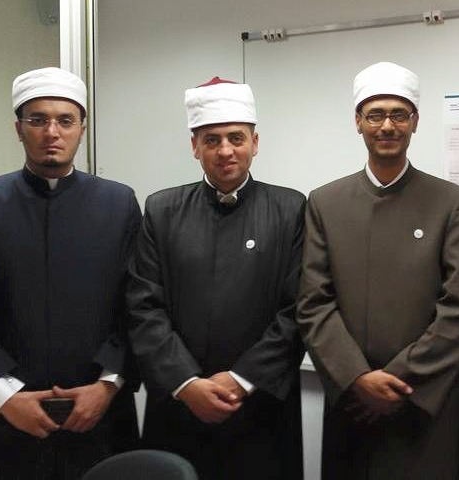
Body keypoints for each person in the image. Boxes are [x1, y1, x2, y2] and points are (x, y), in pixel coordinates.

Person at [296, 61, 459, 480]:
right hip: (352, 401)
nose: (387, 126)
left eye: (399, 114)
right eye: (375, 114)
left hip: (423, 403)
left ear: (415, 122)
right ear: (358, 121)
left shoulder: (450, 201)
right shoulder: (325, 202)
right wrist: (357, 378)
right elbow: (313, 304)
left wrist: (396, 380)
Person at [126, 77, 305, 479]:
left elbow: (297, 309)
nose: (225, 150)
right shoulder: (161, 210)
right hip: (180, 406)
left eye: (236, 138)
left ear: (255, 143)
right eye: (212, 140)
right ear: (195, 146)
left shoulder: (291, 209)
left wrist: (242, 379)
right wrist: (187, 383)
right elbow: (143, 307)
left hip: (260, 408)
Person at [0, 67, 140, 478]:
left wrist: (108, 386)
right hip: (2, 425)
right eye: (38, 120)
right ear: (18, 128)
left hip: (99, 419)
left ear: (82, 128)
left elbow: (137, 308)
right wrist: (3, 398)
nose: (52, 132)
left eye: (65, 120)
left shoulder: (119, 204)